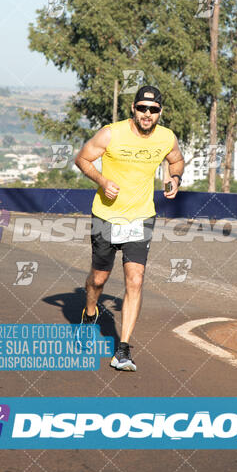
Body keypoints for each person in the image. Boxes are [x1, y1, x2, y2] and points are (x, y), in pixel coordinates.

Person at [74, 86, 184, 371]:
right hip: (106, 216)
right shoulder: (111, 133)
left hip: (141, 217)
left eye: (153, 109)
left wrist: (175, 179)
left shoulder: (166, 137)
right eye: (142, 108)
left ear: (160, 112)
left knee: (135, 278)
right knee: (98, 279)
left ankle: (122, 350)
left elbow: (176, 160)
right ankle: (89, 314)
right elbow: (82, 159)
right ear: (133, 109)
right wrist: (101, 180)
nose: (147, 114)